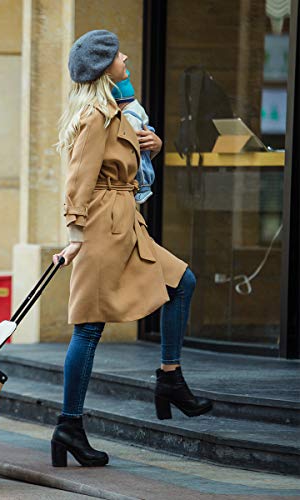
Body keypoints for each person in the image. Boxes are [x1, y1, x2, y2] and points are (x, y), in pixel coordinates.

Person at [51, 29, 212, 468]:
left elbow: (126, 164)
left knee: (182, 281)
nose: (126, 58)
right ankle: (69, 425)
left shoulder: (116, 111)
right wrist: (74, 238)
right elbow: (78, 179)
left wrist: (154, 149)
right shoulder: (95, 116)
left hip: (126, 222)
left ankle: (169, 378)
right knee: (89, 327)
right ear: (105, 68)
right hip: (102, 227)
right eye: (118, 55)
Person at [112, 69, 158, 203]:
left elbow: (132, 151)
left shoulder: (129, 116)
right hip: (118, 192)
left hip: (121, 190)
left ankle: (143, 186)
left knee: (141, 160)